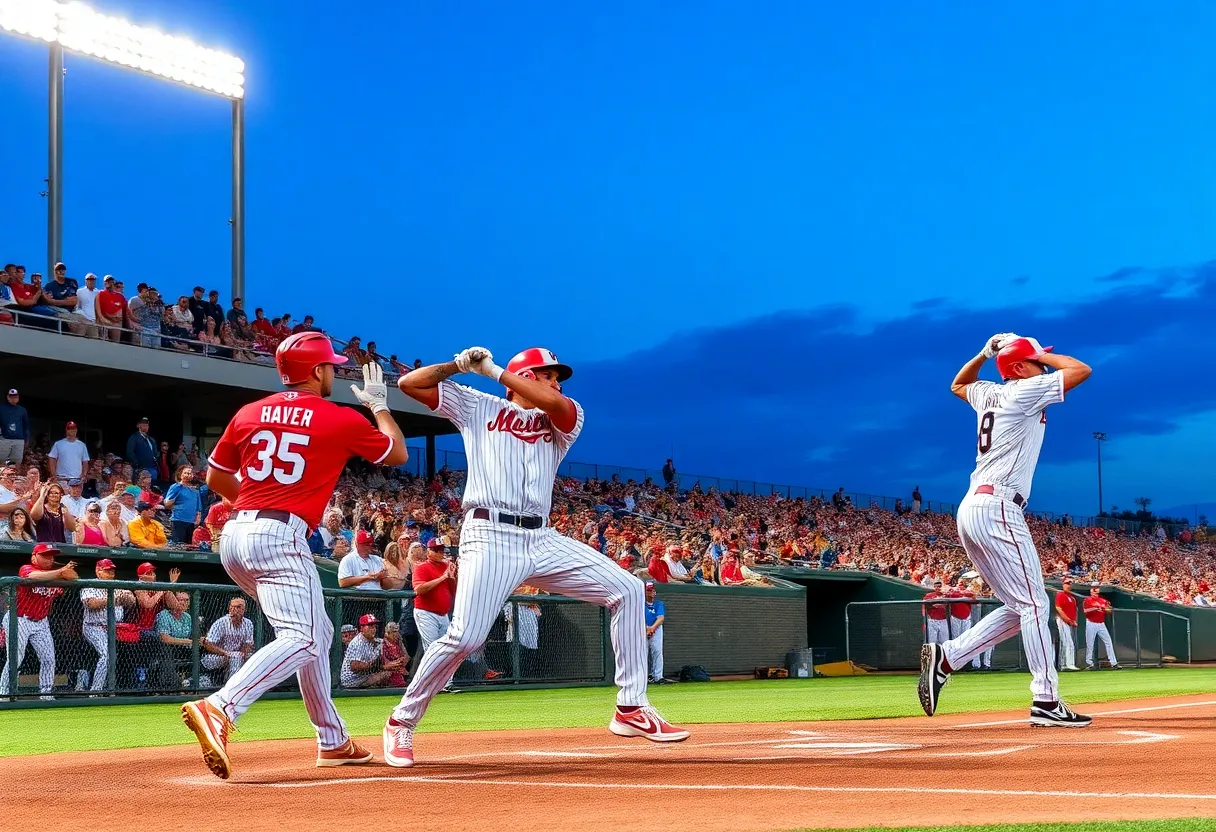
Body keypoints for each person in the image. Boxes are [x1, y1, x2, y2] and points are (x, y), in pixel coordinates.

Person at [382, 346, 688, 769]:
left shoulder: (564, 417)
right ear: (525, 375)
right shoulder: (478, 406)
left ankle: (630, 707)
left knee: (629, 589)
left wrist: (491, 371)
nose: (557, 382)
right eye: (547, 374)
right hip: (490, 532)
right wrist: (458, 366)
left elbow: (553, 402)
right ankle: (402, 721)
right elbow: (409, 384)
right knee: (466, 637)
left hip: (541, 536)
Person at [180, 332, 407, 779]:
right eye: (331, 367)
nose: (335, 373)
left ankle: (332, 740)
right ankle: (221, 707)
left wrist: (255, 504)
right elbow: (396, 452)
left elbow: (216, 476)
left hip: (236, 533)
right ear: (317, 371)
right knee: (302, 638)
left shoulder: (248, 412)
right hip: (280, 535)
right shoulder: (336, 417)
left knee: (317, 632)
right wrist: (379, 405)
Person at [918, 334, 1093, 728]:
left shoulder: (990, 394)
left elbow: (958, 384)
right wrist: (1020, 356)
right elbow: (1081, 369)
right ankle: (1046, 701)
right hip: (999, 507)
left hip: (973, 508)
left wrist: (984, 353)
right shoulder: (1022, 391)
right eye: (1036, 359)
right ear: (1018, 368)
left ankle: (948, 657)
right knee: (1034, 605)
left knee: (1020, 606)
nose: (1043, 364)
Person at [0, 543, 77, 699]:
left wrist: (64, 572)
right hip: (19, 619)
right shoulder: (26, 568)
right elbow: (33, 577)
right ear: (34, 556)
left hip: (41, 621)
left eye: (51, 555)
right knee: (16, 658)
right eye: (45, 555)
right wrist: (60, 571)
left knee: (48, 658)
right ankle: (4, 692)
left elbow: (74, 578)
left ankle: (46, 693)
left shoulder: (55, 575)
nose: (49, 558)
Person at [1082, 583, 1119, 670]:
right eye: (1093, 589)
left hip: (1101, 623)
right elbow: (1085, 610)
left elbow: (1110, 610)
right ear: (1091, 590)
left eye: (1096, 588)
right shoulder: (1088, 599)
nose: (1095, 591)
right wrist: (1095, 608)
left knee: (1108, 642)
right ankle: (1089, 663)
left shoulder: (1102, 600)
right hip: (1091, 623)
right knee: (1090, 643)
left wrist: (1106, 608)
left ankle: (1114, 663)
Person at [644, 581, 669, 685]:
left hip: (656, 628)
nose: (652, 592)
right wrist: (646, 628)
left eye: (653, 590)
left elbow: (661, 618)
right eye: (649, 590)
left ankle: (658, 677)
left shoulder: (659, 604)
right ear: (645, 592)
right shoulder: (639, 604)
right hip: (642, 629)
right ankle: (644, 677)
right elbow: (637, 618)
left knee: (658, 651)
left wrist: (652, 628)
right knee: (642, 653)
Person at [1054, 577, 1080, 671]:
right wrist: (1067, 619)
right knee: (1067, 643)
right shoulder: (1060, 594)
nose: (1068, 585)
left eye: (1069, 583)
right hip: (1062, 621)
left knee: (1068, 643)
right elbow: (1058, 608)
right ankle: (1068, 664)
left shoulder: (1072, 598)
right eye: (1066, 583)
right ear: (1063, 584)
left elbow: (1073, 612)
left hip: (1069, 622)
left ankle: (1065, 664)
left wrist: (1073, 621)